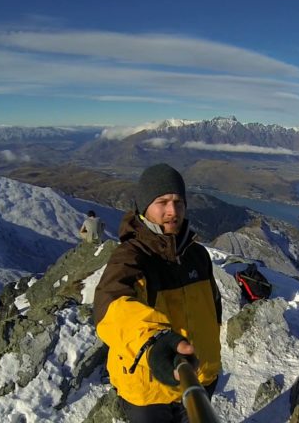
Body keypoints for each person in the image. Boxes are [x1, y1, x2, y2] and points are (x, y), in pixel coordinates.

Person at [93, 163, 222, 423]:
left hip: (197, 376)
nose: (172, 211)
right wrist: (154, 342)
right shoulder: (131, 257)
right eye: (162, 201)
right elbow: (110, 305)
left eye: (178, 202)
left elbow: (213, 310)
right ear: (144, 207)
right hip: (148, 389)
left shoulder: (197, 255)